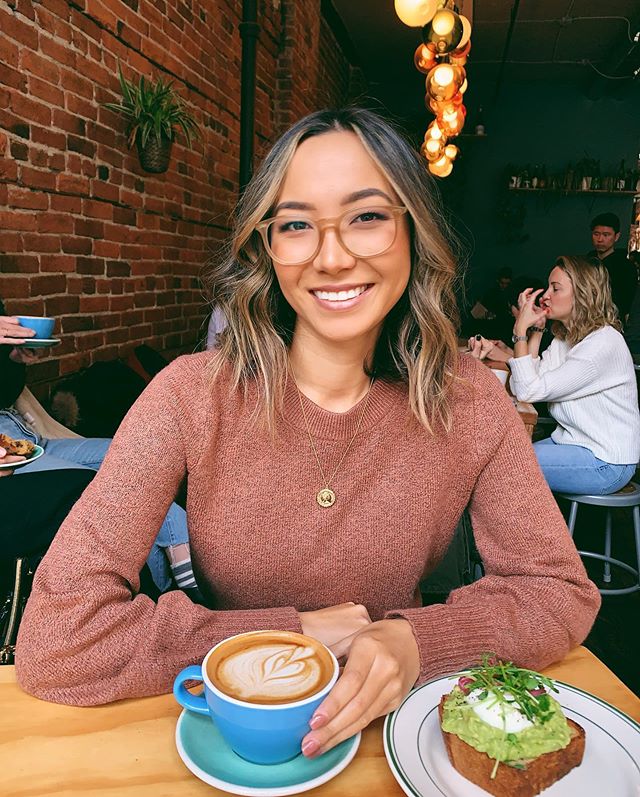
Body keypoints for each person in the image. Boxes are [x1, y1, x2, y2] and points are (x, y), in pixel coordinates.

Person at [16, 109, 599, 759]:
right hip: (227, 743)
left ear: (413, 230)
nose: (331, 255)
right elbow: (57, 641)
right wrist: (292, 633)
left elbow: (557, 591)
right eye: (296, 224)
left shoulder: (469, 400)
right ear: (267, 247)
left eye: (367, 216)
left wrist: (417, 639)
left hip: (389, 741)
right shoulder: (188, 394)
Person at [0, 307, 195, 594]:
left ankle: (185, 555)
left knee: (133, 453)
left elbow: (6, 391)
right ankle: (172, 586)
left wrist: (13, 361)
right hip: (10, 457)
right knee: (103, 484)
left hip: (20, 432)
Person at [507, 256, 639, 494]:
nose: (545, 295)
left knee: (509, 463)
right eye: (548, 287)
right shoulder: (565, 338)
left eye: (555, 288)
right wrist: (536, 330)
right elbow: (523, 386)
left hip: (606, 461)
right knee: (505, 452)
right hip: (573, 445)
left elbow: (527, 390)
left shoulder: (602, 344)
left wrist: (520, 330)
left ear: (582, 294)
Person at [588, 212, 637, 323]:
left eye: (606, 235)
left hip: (611, 322)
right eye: (596, 234)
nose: (600, 239)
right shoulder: (587, 261)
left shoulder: (626, 267)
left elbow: (625, 304)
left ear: (616, 236)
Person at [469, 267, 513, 344]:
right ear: (498, 281)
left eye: (507, 284)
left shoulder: (512, 294)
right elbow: (480, 310)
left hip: (505, 327)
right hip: (490, 326)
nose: (504, 286)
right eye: (502, 283)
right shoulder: (491, 293)